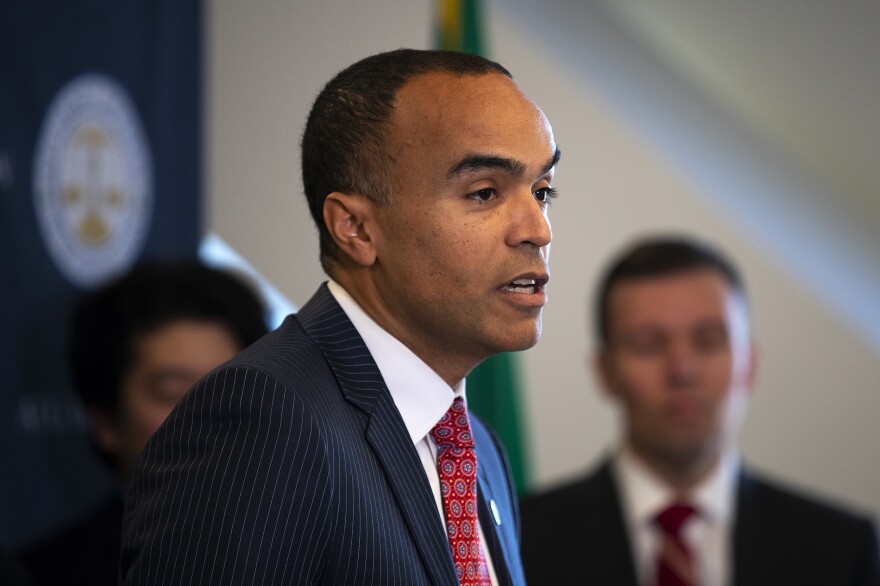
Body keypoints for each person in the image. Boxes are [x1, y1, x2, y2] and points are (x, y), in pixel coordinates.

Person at [120, 49, 559, 586]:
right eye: (485, 192)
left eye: (542, 191)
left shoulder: (479, 449)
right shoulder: (263, 418)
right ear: (355, 228)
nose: (538, 229)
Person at [520, 236, 880, 585]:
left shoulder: (842, 551)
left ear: (749, 363)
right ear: (606, 372)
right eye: (648, 345)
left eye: (709, 341)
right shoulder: (521, 541)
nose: (683, 370)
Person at [18, 260, 268, 586]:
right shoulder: (39, 576)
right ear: (106, 420)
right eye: (173, 393)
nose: (209, 417)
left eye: (230, 391)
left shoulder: (319, 554)